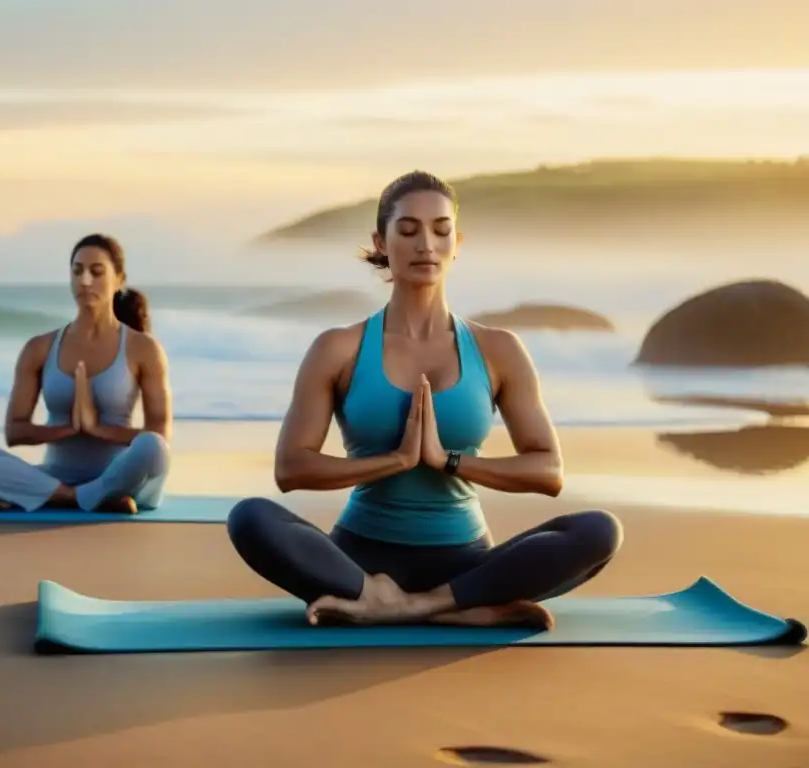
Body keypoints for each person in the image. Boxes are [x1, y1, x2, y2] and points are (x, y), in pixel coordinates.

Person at [226, 171, 623, 629]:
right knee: (249, 518)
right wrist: (394, 461)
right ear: (381, 240)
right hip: (357, 564)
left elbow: (548, 471)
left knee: (599, 530)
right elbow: (291, 468)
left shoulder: (498, 350)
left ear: (458, 242)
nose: (426, 244)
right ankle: (427, 605)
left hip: (466, 564)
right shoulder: (339, 348)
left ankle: (420, 604)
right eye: (408, 230)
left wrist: (447, 460)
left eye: (440, 229)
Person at [0, 233, 172, 513]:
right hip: (56, 476)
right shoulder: (40, 348)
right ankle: (76, 496)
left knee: (153, 448)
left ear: (119, 278)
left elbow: (160, 432)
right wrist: (69, 429)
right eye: (77, 271)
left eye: (96, 272)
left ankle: (61, 495)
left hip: (126, 479)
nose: (85, 281)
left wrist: (97, 429)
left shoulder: (143, 348)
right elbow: (15, 431)